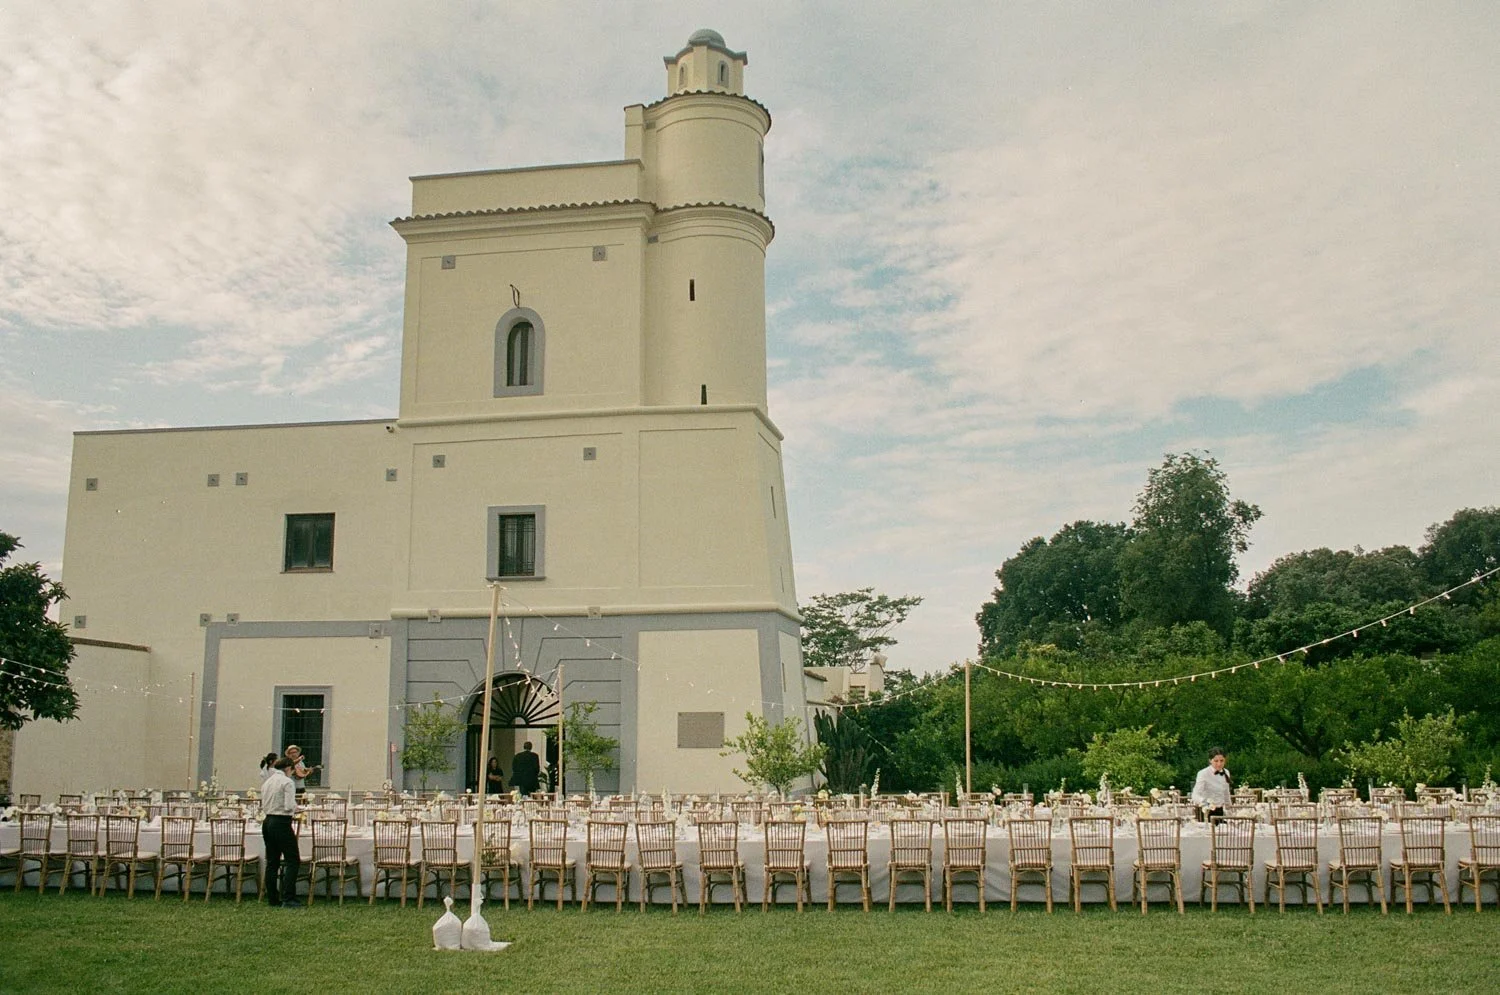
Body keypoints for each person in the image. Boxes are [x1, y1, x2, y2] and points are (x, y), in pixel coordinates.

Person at [260, 757, 302, 908]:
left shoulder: (267, 782)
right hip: (281, 822)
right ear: (289, 768)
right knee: (293, 860)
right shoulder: (287, 782)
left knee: (272, 861)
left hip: (267, 821)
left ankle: (272, 898)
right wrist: (298, 808)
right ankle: (288, 897)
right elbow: (289, 805)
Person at [1191, 748, 1233, 821]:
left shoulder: (1226, 772)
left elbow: (1226, 793)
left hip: (1220, 811)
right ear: (1210, 760)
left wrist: (1229, 810)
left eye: (1221, 761)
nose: (1219, 764)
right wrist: (1206, 803)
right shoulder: (1203, 773)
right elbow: (1195, 795)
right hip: (1205, 812)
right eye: (1216, 761)